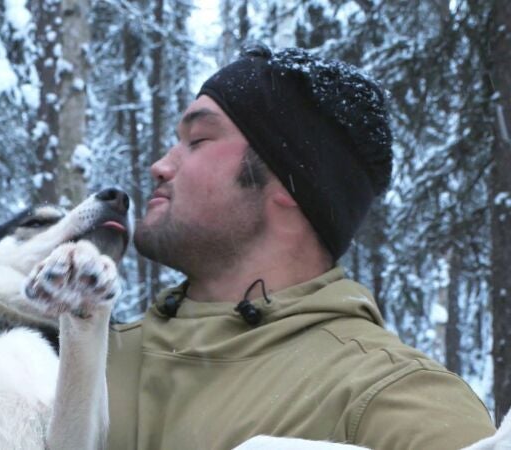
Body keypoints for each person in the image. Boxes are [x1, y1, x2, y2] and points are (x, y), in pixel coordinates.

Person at [106, 45, 496, 450]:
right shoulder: (83, 357)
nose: (160, 165)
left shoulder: (391, 398)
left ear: (288, 182)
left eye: (198, 139)